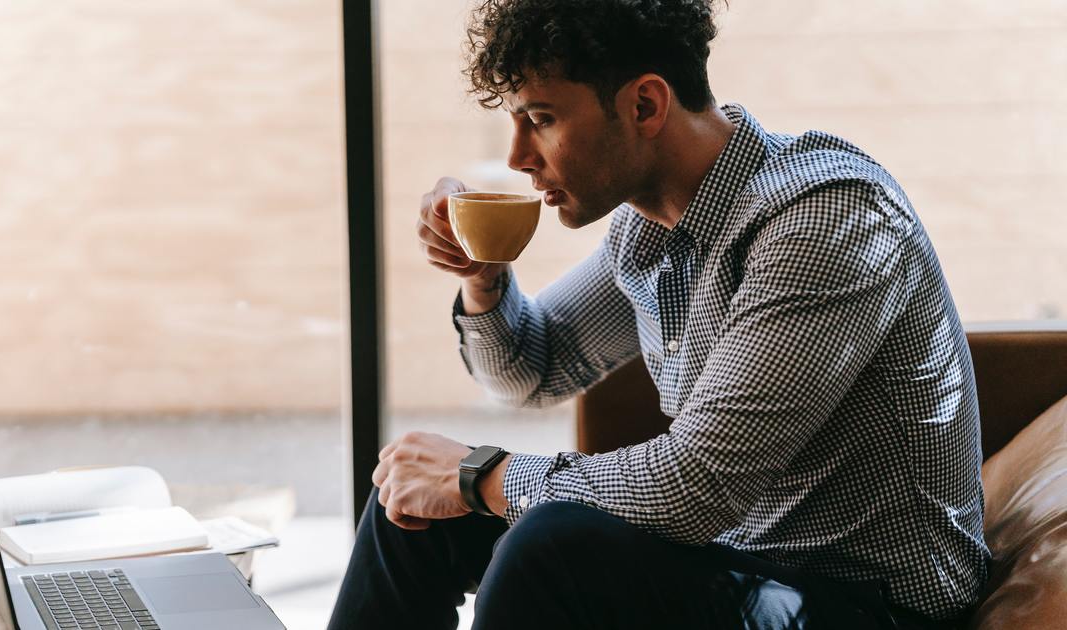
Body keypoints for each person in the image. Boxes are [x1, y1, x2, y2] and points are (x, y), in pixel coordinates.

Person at [328, 0, 989, 628]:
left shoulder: (826, 218)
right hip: (741, 563)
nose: (518, 158)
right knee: (409, 501)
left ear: (644, 104)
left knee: (546, 546)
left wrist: (478, 474)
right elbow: (533, 369)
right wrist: (483, 277)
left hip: (870, 605)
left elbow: (697, 486)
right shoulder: (649, 231)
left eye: (543, 119)